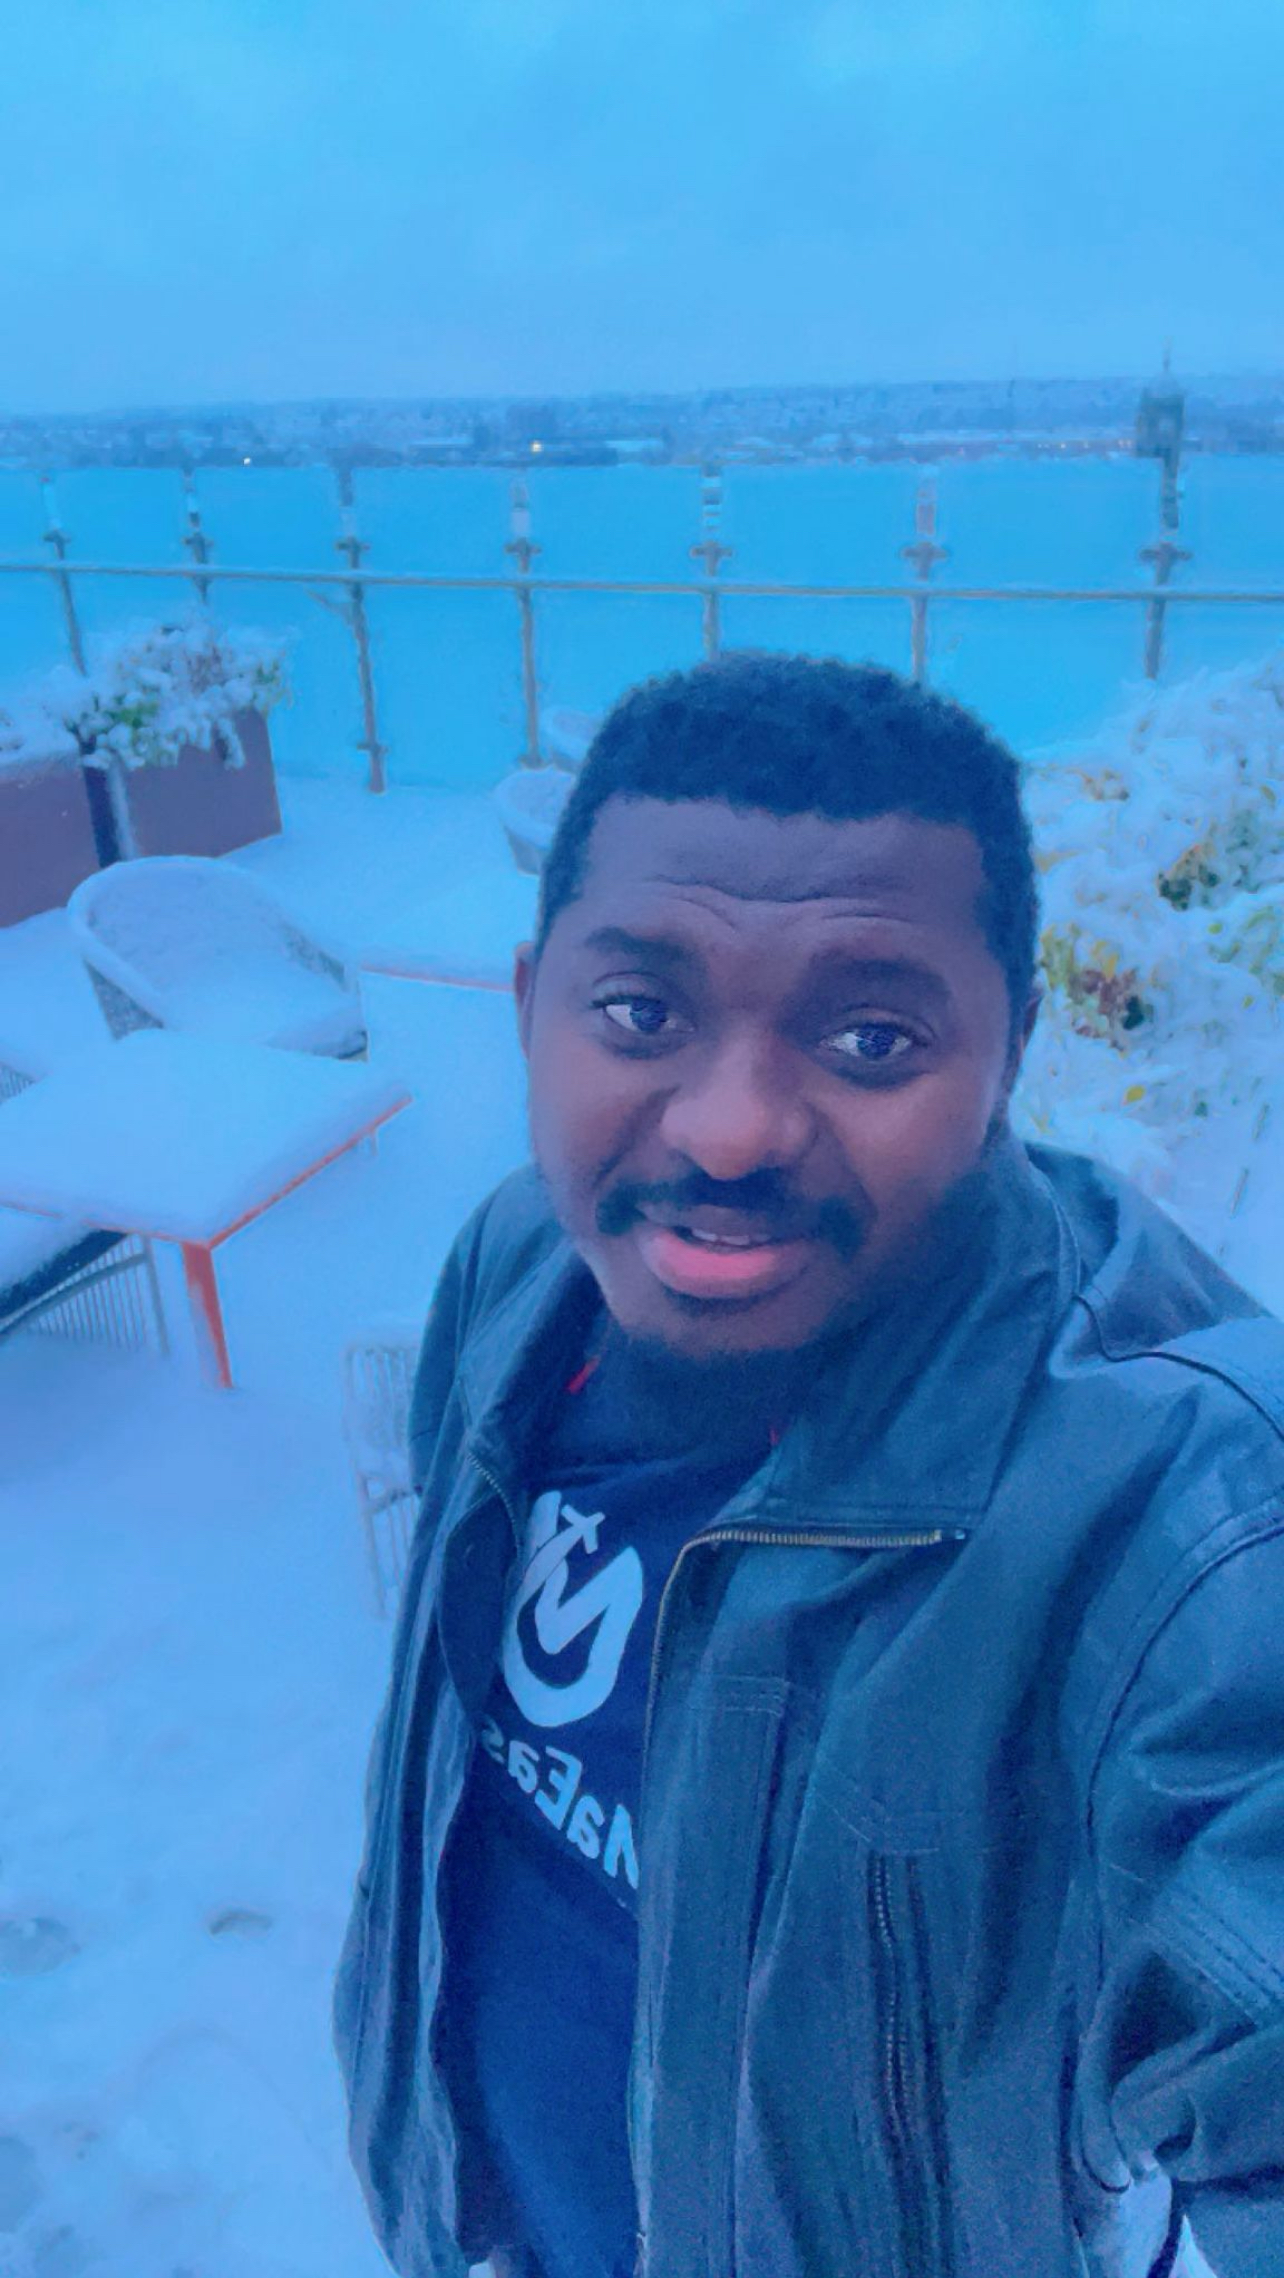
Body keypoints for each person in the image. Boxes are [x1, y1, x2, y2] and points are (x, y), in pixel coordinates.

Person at [334, 654, 1284, 2278]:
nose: (728, 1129)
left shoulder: (1170, 1529)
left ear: (1011, 1053)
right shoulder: (522, 1267)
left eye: (869, 1036)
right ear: (531, 1007)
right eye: (641, 1013)